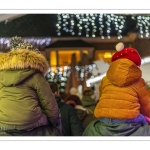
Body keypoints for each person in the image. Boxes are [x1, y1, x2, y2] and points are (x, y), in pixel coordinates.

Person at [82, 42, 150, 136]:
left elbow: (101, 98)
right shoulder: (139, 82)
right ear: (135, 65)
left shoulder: (105, 79)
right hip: (129, 119)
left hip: (104, 118)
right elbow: (145, 106)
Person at [0, 36, 61, 136]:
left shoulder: (1, 74)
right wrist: (56, 124)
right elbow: (49, 103)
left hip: (4, 122)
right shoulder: (36, 76)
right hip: (30, 122)